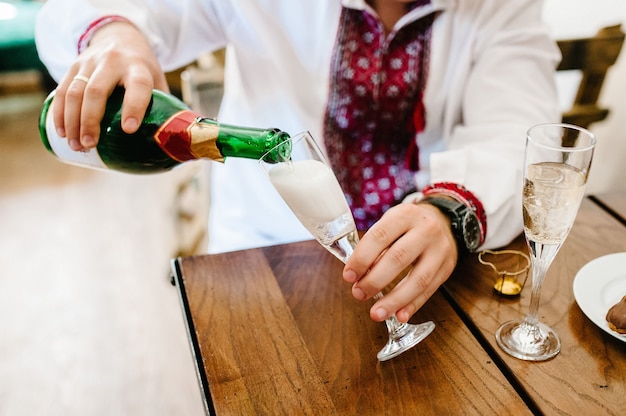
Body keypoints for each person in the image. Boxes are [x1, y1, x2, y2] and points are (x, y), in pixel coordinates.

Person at [35, 0, 560, 325]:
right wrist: (115, 34)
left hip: (430, 273)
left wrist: (450, 209)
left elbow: (519, 131)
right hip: (264, 259)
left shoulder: (500, 5)